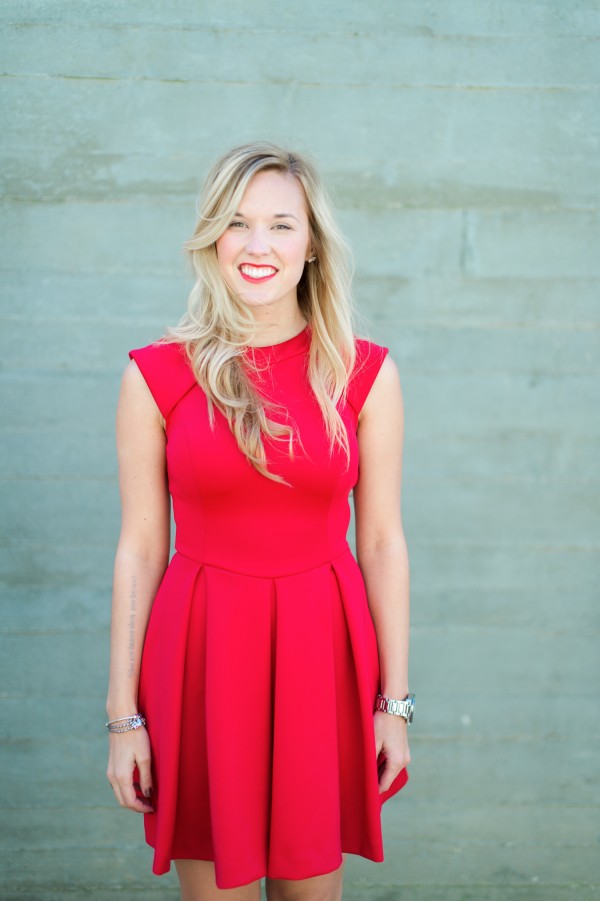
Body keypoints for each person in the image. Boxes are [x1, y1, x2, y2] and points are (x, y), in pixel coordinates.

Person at [106, 141, 413, 901]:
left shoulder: (364, 372)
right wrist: (123, 717)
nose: (258, 245)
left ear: (311, 246)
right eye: (238, 223)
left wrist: (395, 702)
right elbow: (141, 549)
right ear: (213, 236)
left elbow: (380, 542)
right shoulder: (156, 374)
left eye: (282, 225)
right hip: (202, 658)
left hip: (324, 655)